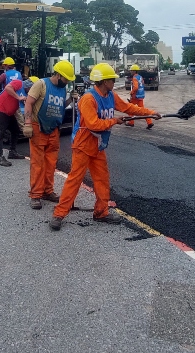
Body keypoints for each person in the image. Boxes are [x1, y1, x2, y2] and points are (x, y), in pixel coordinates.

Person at [50, 63, 157, 231]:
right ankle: (59, 214)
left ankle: (101, 212)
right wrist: (115, 121)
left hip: (98, 145)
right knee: (74, 180)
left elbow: (128, 107)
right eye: (111, 80)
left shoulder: (110, 95)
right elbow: (93, 124)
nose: (114, 82)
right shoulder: (88, 99)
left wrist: (150, 113)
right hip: (83, 144)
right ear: (103, 81)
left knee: (102, 180)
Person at [23, 61, 76, 209]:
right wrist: (27, 124)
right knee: (38, 163)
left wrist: (71, 99)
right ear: (58, 75)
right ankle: (36, 195)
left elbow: (60, 106)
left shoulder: (62, 89)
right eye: (65, 79)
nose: (66, 82)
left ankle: (47, 191)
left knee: (51, 163)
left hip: (54, 129)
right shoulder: (41, 84)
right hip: (37, 126)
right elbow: (29, 103)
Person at [0, 77, 25, 166]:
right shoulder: (19, 83)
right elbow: (7, 88)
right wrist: (18, 97)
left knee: (15, 130)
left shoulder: (27, 94)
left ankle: (12, 152)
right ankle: (0, 157)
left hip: (8, 112)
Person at [126, 64, 153, 129]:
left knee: (130, 109)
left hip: (135, 96)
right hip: (141, 95)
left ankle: (131, 122)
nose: (130, 71)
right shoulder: (140, 77)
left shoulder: (134, 77)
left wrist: (131, 92)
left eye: (131, 70)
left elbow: (135, 88)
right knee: (142, 110)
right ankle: (149, 122)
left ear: (134, 71)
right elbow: (142, 85)